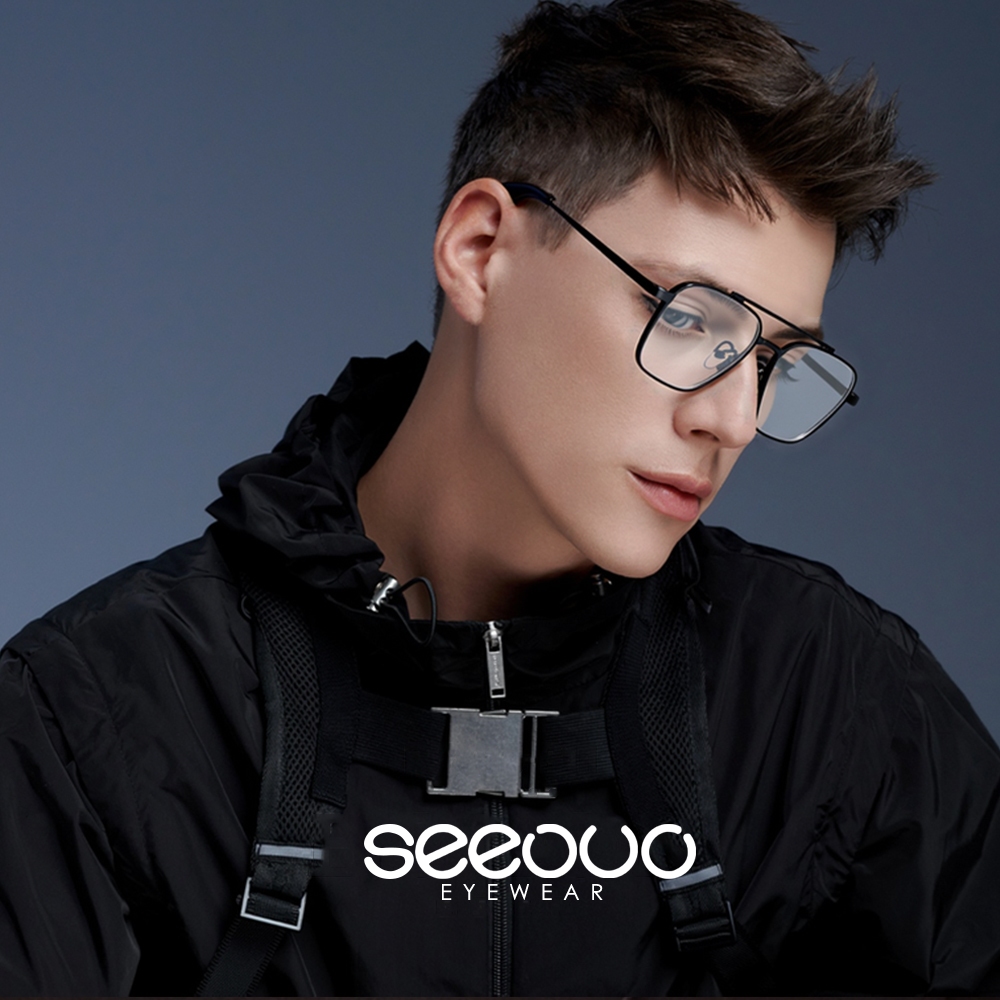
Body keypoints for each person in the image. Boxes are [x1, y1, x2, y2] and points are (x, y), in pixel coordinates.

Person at [1, 0, 998, 995]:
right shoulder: (93, 711)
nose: (732, 419)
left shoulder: (833, 699)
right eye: (692, 317)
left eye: (777, 362)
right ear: (480, 250)